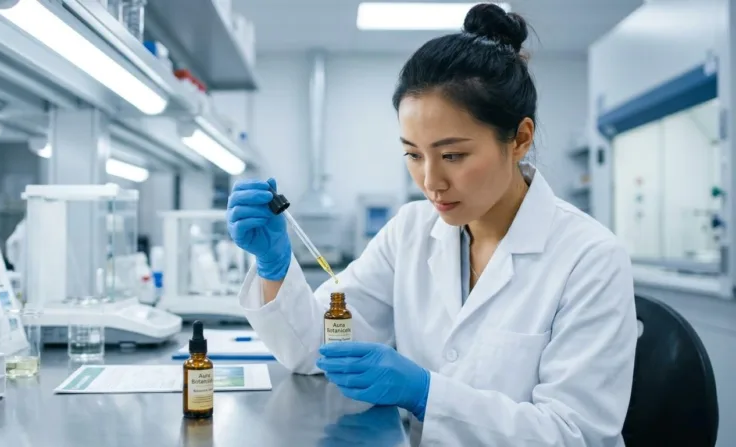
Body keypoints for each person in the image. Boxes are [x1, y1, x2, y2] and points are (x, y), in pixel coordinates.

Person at [226, 3, 637, 446]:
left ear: (519, 139)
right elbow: (315, 351)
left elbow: (577, 436)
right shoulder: (411, 230)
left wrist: (427, 394)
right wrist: (273, 266)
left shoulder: (590, 258)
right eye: (413, 154)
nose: (430, 181)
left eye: (453, 155)